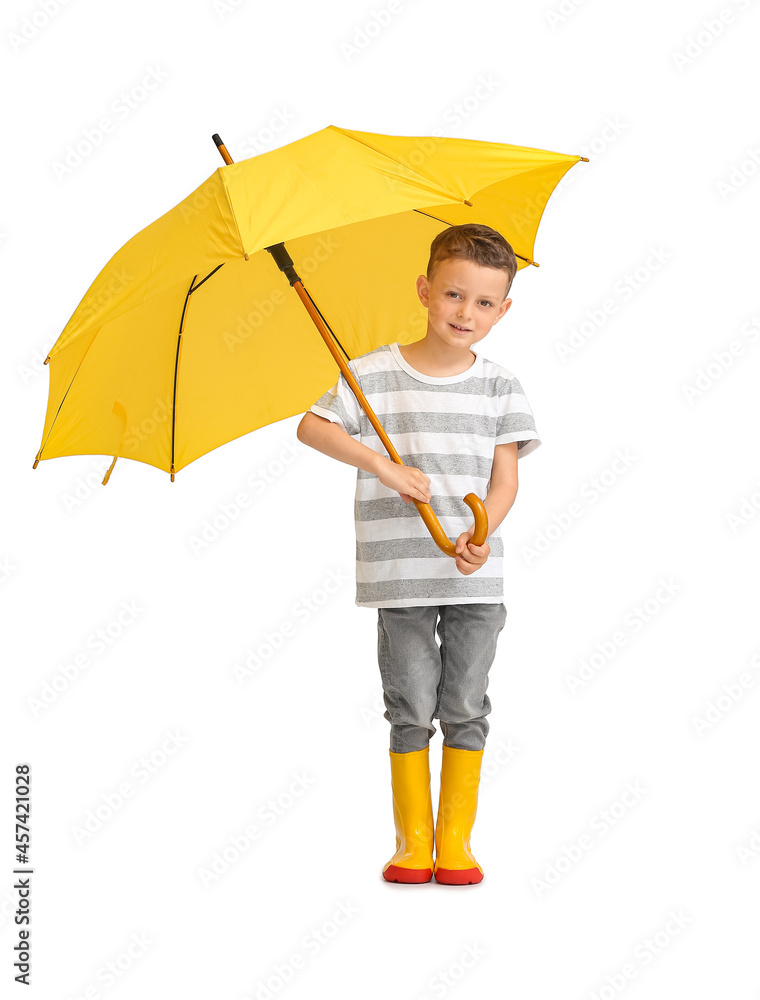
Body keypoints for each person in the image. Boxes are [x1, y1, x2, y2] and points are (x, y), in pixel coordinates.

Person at [296, 223, 541, 885]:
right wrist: (383, 464)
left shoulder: (501, 387)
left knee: (466, 704)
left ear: (503, 310)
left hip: (473, 577)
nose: (466, 313)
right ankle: (412, 842)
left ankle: (454, 841)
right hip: (399, 572)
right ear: (425, 290)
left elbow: (506, 482)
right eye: (454, 294)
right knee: (409, 705)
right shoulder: (371, 375)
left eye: (484, 303)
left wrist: (482, 535)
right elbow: (311, 427)